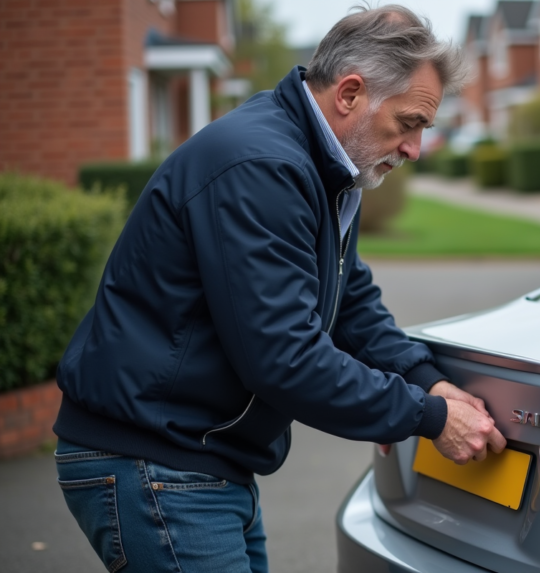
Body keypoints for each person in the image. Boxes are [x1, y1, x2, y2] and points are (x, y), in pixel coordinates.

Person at [52, 5, 506, 572]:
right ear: (350, 95)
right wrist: (426, 416)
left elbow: (351, 304)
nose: (414, 148)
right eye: (410, 122)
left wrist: (426, 381)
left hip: (201, 461)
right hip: (156, 462)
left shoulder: (328, 167)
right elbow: (284, 357)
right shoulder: (261, 165)